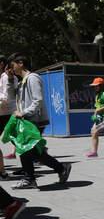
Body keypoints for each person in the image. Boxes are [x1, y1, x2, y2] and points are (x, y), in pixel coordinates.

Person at [9, 54, 71, 189]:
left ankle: (29, 179)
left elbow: (38, 100)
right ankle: (61, 168)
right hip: (27, 120)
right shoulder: (22, 81)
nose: (11, 69)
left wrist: (24, 113)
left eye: (12, 65)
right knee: (34, 152)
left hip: (35, 120)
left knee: (26, 150)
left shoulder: (33, 78)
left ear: (20, 63)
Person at [0, 56, 18, 164]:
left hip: (7, 113)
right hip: (5, 112)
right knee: (16, 139)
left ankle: (37, 153)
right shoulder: (4, 76)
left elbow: (6, 97)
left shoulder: (9, 78)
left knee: (16, 139)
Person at [86, 77, 104, 158]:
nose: (95, 87)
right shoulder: (97, 95)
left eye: (97, 86)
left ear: (101, 85)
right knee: (93, 131)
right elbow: (97, 107)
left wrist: (98, 110)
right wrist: (95, 114)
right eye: (94, 86)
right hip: (99, 117)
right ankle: (94, 152)